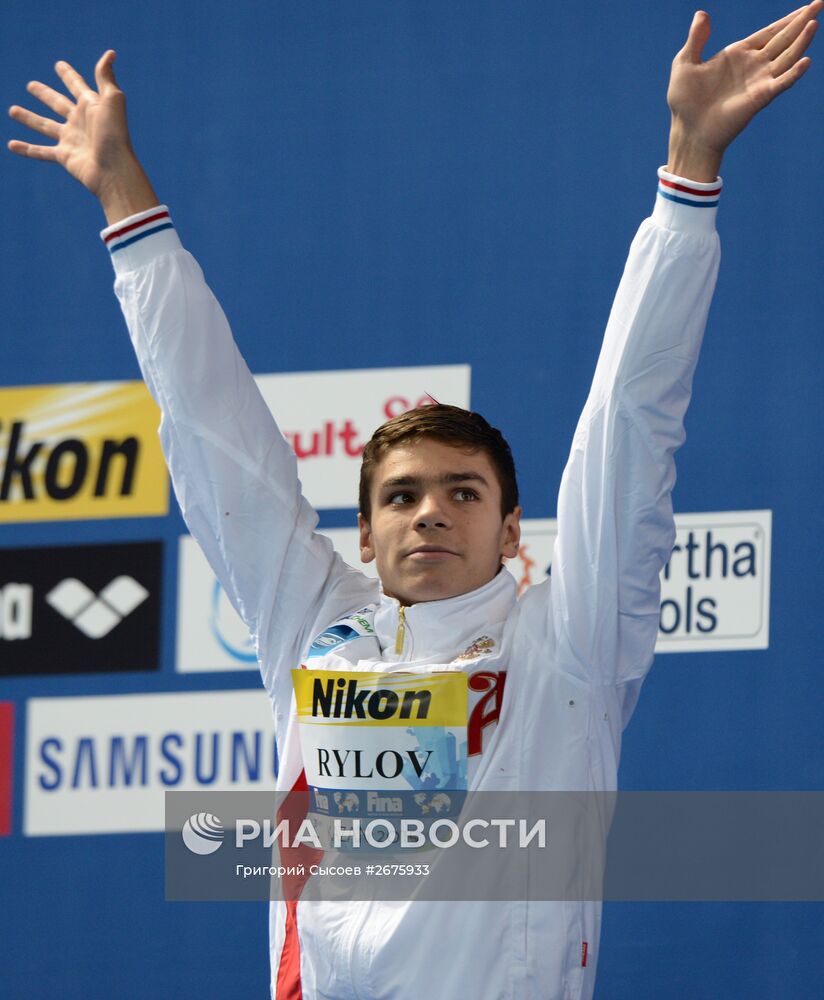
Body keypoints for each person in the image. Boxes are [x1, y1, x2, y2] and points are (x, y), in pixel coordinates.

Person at [8, 6, 822, 998]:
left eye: (460, 491)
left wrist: (686, 177)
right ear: (365, 529)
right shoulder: (310, 626)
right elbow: (211, 431)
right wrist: (125, 205)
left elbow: (629, 424)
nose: (427, 512)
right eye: (399, 495)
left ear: (511, 529)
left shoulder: (567, 645)